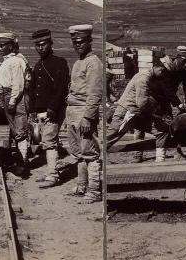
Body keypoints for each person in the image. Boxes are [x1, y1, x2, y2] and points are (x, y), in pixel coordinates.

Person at [0, 33, 31, 177]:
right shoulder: (5, 63)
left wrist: (13, 101)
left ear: (11, 46)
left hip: (16, 98)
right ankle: (17, 161)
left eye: (3, 45)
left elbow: (18, 85)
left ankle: (23, 165)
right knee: (14, 131)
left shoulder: (15, 61)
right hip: (6, 95)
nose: (0, 48)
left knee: (20, 132)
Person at [65, 24, 104, 202]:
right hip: (73, 111)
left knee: (90, 153)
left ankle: (94, 191)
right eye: (75, 42)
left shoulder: (94, 63)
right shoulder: (78, 62)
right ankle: (82, 186)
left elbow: (94, 93)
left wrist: (88, 117)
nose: (78, 45)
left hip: (83, 112)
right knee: (78, 153)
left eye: (81, 42)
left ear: (89, 41)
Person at [28, 29, 70, 188]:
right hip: (41, 111)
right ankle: (50, 172)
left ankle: (53, 176)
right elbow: (33, 89)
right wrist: (33, 109)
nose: (40, 47)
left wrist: (52, 108)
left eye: (43, 44)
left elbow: (61, 89)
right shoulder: (38, 65)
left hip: (53, 111)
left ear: (50, 44)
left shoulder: (59, 63)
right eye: (37, 45)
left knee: (49, 142)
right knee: (48, 141)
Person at [107, 65, 171, 161]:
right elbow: (142, 103)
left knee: (161, 131)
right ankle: (95, 158)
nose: (163, 73)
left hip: (138, 113)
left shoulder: (151, 77)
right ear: (157, 68)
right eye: (162, 70)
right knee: (110, 138)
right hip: (127, 112)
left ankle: (160, 162)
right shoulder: (143, 78)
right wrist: (155, 115)